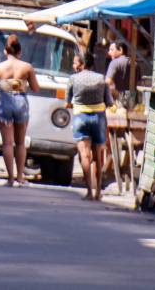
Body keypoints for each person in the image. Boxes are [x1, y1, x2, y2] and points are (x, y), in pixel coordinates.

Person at [0, 35, 39, 187]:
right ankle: (20, 177)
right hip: (21, 102)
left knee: (7, 143)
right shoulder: (27, 67)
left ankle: (11, 178)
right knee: (20, 143)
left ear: (6, 51)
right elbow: (36, 88)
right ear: (20, 52)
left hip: (4, 102)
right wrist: (20, 84)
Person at [67, 51, 112, 201]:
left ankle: (89, 192)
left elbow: (68, 102)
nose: (74, 65)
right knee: (98, 157)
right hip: (98, 118)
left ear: (83, 64)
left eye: (75, 63)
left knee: (85, 155)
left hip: (81, 117)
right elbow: (109, 102)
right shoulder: (101, 79)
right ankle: (98, 190)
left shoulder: (73, 79)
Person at [104, 41, 134, 110]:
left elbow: (107, 83)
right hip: (133, 100)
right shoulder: (135, 64)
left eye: (112, 50)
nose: (109, 52)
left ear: (120, 50)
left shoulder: (114, 63)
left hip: (118, 102)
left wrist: (116, 94)